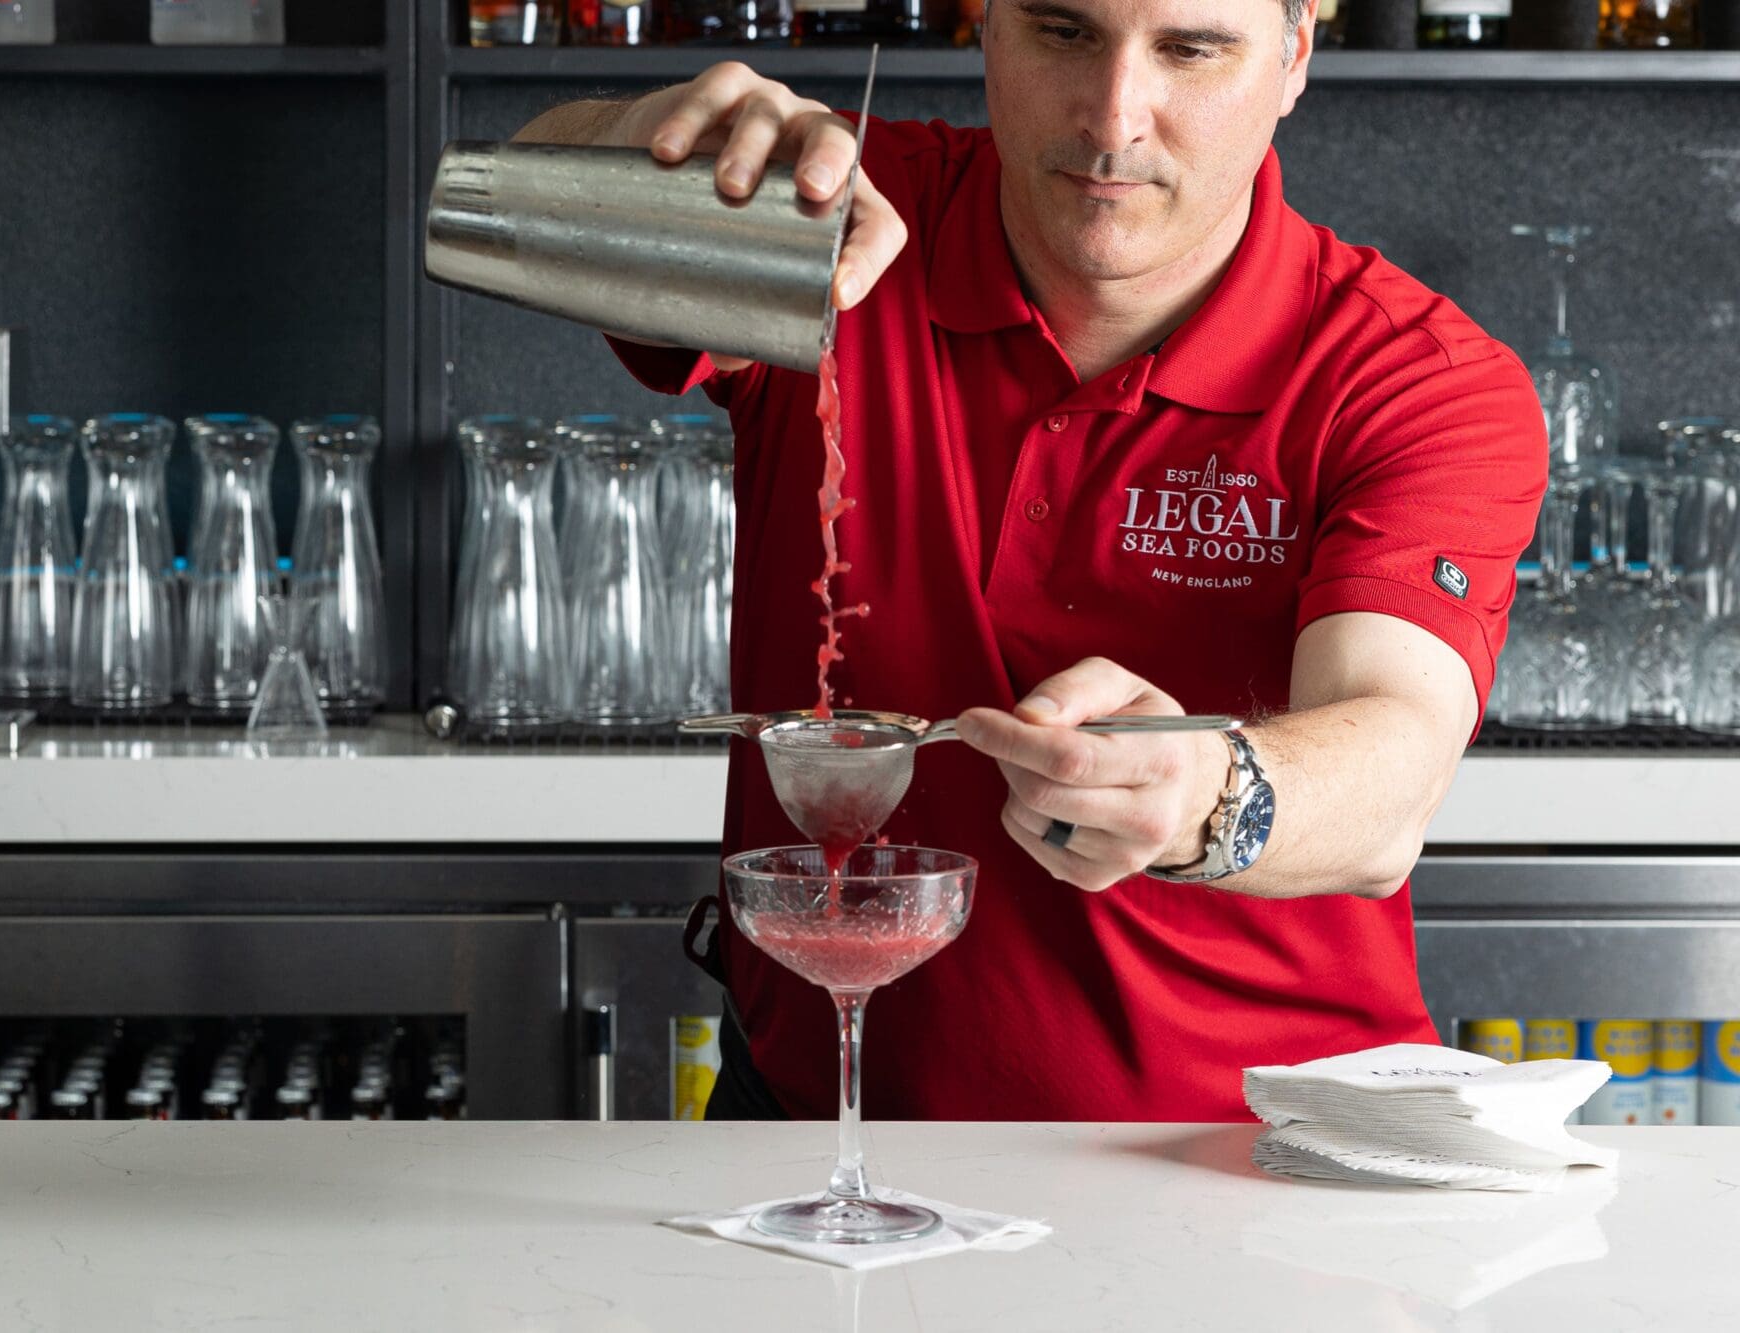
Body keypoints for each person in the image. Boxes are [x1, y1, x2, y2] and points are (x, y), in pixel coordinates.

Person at [516, 0, 1547, 1120]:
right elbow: (502, 210)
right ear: (983, 26)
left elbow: (1389, 772)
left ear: (1293, 53)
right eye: (1062, 32)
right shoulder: (843, 231)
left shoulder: (1411, 377)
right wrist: (640, 143)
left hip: (1263, 1151)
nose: (1113, 117)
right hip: (815, 1128)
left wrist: (1206, 794)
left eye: (1189, 49)